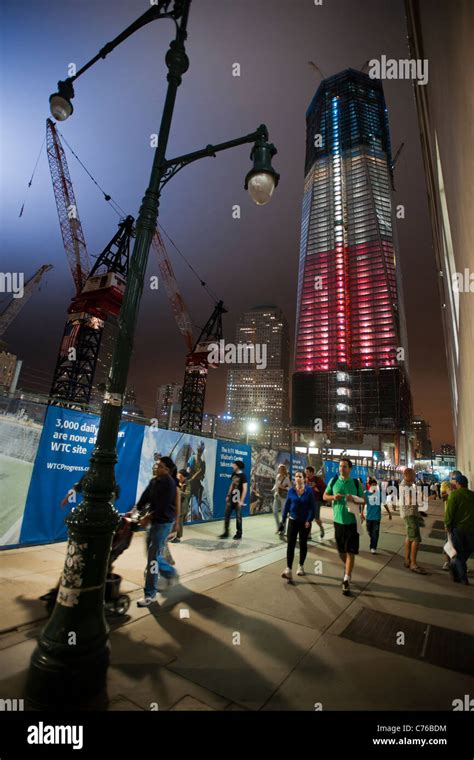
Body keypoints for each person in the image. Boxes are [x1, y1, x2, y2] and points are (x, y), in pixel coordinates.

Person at [134, 458, 179, 607]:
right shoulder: (155, 481)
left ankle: (150, 595)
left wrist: (148, 517)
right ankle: (169, 572)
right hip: (155, 522)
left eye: (160, 465)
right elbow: (145, 497)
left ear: (167, 469)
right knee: (151, 554)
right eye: (157, 464)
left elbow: (163, 506)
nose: (156, 467)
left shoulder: (170, 484)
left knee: (152, 557)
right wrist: (135, 510)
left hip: (164, 523)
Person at [324, 458, 365, 596]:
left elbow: (364, 499)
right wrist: (333, 497)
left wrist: (353, 499)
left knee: (350, 551)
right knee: (341, 551)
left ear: (350, 469)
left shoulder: (356, 483)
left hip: (352, 522)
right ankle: (348, 567)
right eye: (340, 466)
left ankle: (346, 578)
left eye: (345, 466)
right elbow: (325, 496)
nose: (342, 469)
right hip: (338, 522)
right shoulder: (333, 481)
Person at [280, 471, 316, 580]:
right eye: (296, 476)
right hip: (292, 520)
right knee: (290, 545)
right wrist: (282, 521)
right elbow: (287, 506)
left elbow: (312, 508)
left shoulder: (309, 491)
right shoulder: (291, 491)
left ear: (304, 479)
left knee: (303, 544)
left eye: (300, 476)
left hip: (305, 522)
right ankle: (288, 569)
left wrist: (309, 520)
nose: (298, 478)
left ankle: (301, 566)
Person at [445, 473, 474, 585]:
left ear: (457, 483)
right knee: (466, 552)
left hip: (458, 529)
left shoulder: (454, 495)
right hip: (471, 529)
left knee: (458, 554)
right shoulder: (472, 495)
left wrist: (447, 526)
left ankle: (462, 577)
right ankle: (457, 571)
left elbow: (449, 513)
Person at [399, 467, 426, 574]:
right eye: (414, 475)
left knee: (410, 536)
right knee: (416, 538)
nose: (415, 476)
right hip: (409, 514)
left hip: (411, 513)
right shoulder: (405, 486)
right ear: (407, 475)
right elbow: (410, 500)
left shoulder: (409, 485)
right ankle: (413, 564)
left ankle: (407, 560)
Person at [219, 460, 248, 540]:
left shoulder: (243, 476)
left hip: (238, 500)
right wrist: (228, 495)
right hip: (231, 499)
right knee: (226, 514)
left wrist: (241, 500)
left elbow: (245, 489)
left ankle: (239, 533)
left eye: (234, 465)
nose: (232, 466)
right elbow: (231, 485)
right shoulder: (233, 474)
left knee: (238, 517)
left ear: (237, 466)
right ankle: (226, 532)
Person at [364, 477, 392, 554]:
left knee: (375, 533)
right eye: (372, 485)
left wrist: (389, 513)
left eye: (375, 485)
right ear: (369, 485)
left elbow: (385, 504)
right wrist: (362, 514)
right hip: (369, 517)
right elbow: (363, 502)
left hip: (377, 517)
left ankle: (373, 547)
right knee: (369, 531)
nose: (374, 486)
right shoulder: (366, 493)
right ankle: (373, 541)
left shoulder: (379, 495)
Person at [305, 465, 326, 539]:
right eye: (305, 471)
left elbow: (325, 489)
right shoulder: (305, 480)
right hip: (307, 501)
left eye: (307, 472)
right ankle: (308, 534)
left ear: (312, 472)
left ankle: (321, 528)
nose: (306, 473)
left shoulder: (318, 480)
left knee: (316, 518)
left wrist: (319, 490)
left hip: (316, 501)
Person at [187, 441, 206, 520]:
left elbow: (201, 474)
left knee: (198, 501)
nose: (200, 452)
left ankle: (198, 513)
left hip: (197, 484)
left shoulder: (202, 462)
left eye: (201, 451)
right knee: (187, 499)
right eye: (199, 450)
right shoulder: (192, 458)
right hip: (191, 482)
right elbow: (189, 470)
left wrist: (199, 474)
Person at [272, 464, 291, 537]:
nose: (278, 469)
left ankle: (283, 530)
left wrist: (283, 487)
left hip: (283, 497)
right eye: (278, 468)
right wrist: (274, 489)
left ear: (283, 470)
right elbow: (276, 485)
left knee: (284, 514)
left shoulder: (286, 478)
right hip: (276, 495)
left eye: (279, 468)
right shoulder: (277, 476)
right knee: (275, 512)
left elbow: (290, 488)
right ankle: (279, 527)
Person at [172, 468, 190, 543]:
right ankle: (172, 535)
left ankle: (178, 537)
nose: (179, 478)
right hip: (174, 505)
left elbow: (187, 494)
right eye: (178, 476)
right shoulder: (175, 481)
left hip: (182, 506)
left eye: (181, 477)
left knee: (179, 522)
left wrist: (179, 491)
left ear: (184, 477)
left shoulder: (187, 483)